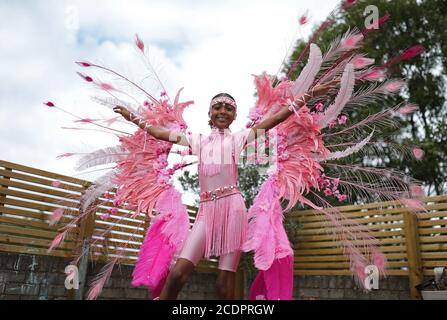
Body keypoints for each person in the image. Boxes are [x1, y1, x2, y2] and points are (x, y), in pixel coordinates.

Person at [112, 81, 336, 300]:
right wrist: (131, 116)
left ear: (234, 116)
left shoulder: (239, 139)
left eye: (229, 108)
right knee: (177, 274)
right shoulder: (196, 141)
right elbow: (159, 133)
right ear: (209, 114)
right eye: (217, 107)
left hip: (233, 211)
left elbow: (276, 118)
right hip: (206, 213)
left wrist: (309, 95)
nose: (223, 111)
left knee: (223, 285)